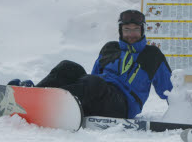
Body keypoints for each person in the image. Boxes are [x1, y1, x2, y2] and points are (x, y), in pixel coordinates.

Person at [35, 9, 173, 119]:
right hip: (99, 94)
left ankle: (51, 105)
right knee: (68, 66)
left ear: (142, 31)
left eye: (135, 29)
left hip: (122, 105)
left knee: (95, 83)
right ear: (120, 31)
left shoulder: (152, 55)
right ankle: (33, 95)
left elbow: (171, 91)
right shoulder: (110, 48)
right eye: (127, 29)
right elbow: (92, 77)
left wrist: (188, 112)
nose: (131, 34)